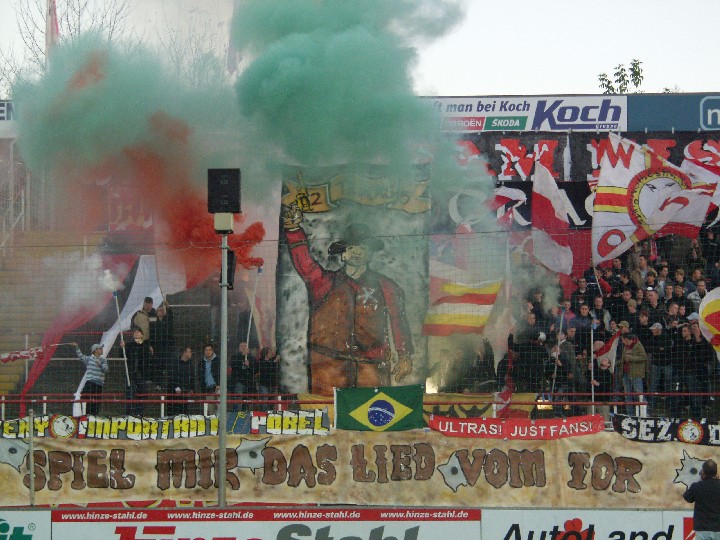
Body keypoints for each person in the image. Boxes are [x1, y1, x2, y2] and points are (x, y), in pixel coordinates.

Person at [283, 204, 413, 395]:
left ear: (369, 254)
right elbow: (305, 264)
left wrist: (404, 355)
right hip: (328, 367)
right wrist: (294, 230)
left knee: (373, 415)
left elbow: (398, 320)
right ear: (343, 254)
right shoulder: (324, 282)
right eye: (352, 247)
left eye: (362, 248)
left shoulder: (387, 286)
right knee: (326, 415)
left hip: (371, 367)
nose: (357, 252)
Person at [683, 459, 720, 539]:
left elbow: (687, 497)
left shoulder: (697, 486)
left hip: (702, 528)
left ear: (703, 472)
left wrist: (699, 479)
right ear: (716, 472)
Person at [72, 342, 108, 416]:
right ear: (95, 350)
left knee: (97, 401)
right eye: (100, 348)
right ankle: (87, 415)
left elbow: (106, 369)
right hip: (91, 382)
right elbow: (81, 356)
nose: (102, 350)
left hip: (99, 384)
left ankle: (94, 415)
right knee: (87, 398)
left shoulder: (103, 360)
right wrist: (76, 347)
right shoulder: (89, 359)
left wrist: (100, 365)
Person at [123, 328, 153, 416]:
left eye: (138, 332)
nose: (136, 333)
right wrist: (122, 348)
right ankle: (129, 414)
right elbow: (122, 355)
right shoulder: (129, 345)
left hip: (141, 373)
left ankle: (139, 413)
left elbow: (148, 357)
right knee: (130, 394)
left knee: (142, 393)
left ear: (142, 335)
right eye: (135, 332)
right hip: (131, 373)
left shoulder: (145, 345)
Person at [621, 333, 647, 416]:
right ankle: (630, 415)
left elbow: (644, 357)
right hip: (626, 373)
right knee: (627, 395)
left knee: (639, 394)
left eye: (623, 340)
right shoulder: (625, 347)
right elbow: (622, 359)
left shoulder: (638, 345)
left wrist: (631, 358)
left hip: (636, 374)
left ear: (628, 339)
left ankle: (643, 413)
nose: (623, 342)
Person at [166, 347, 194, 417]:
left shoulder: (190, 365)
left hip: (185, 394)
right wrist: (176, 387)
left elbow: (192, 378)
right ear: (184, 352)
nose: (191, 353)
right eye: (189, 351)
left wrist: (192, 389)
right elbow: (171, 377)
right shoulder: (175, 364)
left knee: (184, 414)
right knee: (173, 414)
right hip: (174, 394)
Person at [230, 342, 257, 412]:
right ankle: (237, 415)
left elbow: (255, 370)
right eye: (241, 346)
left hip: (248, 383)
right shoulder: (234, 357)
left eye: (245, 346)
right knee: (238, 401)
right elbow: (233, 364)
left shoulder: (252, 358)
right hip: (238, 381)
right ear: (238, 348)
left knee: (246, 402)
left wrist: (249, 365)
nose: (243, 347)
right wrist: (242, 355)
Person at [256, 347, 281, 411]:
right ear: (266, 354)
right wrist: (275, 361)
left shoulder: (272, 360)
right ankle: (264, 414)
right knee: (265, 401)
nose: (271, 353)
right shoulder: (261, 361)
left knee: (272, 402)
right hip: (264, 385)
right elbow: (267, 369)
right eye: (270, 352)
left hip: (273, 384)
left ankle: (271, 413)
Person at [202, 344, 220, 415]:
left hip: (217, 387)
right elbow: (201, 377)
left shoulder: (218, 360)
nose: (208, 352)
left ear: (212, 351)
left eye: (209, 350)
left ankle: (222, 424)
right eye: (206, 350)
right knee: (210, 410)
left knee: (220, 408)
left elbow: (221, 372)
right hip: (208, 389)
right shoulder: (201, 363)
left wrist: (219, 384)